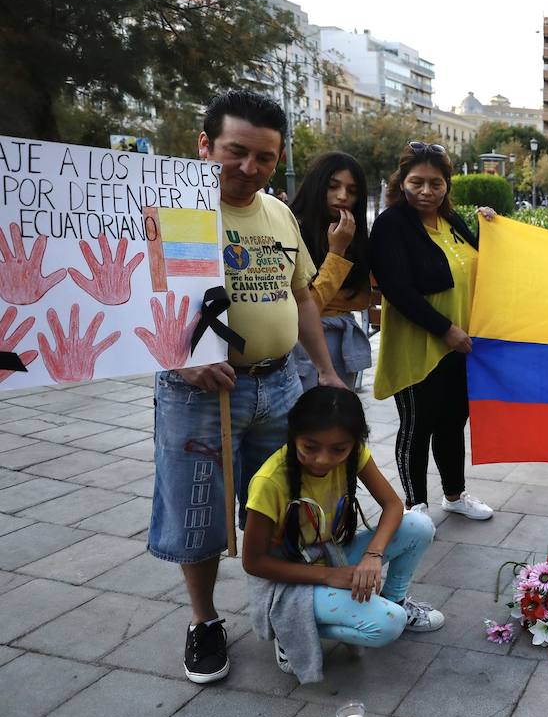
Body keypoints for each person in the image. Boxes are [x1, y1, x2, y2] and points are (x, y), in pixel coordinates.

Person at [150, 90, 345, 685]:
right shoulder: (170, 211)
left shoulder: (279, 214)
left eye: (264, 157)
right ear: (204, 144)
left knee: (283, 506)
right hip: (199, 394)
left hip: (280, 384)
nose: (249, 169)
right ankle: (205, 621)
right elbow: (134, 299)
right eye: (236, 152)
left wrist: (327, 371)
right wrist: (178, 361)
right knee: (200, 513)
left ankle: (282, 616)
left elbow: (303, 294)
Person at [243, 386, 444, 682]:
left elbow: (392, 505)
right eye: (310, 447)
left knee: (419, 525)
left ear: (354, 443)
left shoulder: (355, 455)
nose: (323, 459)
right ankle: (288, 630)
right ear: (293, 435)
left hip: (330, 556)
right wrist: (329, 577)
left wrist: (372, 556)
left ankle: (396, 599)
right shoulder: (269, 482)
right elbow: (254, 563)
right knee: (389, 625)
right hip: (286, 582)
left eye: (338, 449)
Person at [370, 142, 495, 518]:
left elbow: (479, 266)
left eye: (436, 184)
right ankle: (415, 506)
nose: (427, 191)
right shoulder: (392, 224)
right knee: (416, 425)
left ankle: (454, 496)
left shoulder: (452, 221)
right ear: (402, 182)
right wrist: (445, 329)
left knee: (453, 422)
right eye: (417, 182)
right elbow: (397, 289)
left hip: (460, 346)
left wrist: (491, 230)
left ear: (447, 186)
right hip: (418, 345)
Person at [289, 152, 373, 391]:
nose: (343, 196)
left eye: (352, 191)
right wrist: (337, 253)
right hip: (301, 350)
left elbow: (360, 298)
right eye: (333, 186)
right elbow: (308, 308)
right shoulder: (294, 228)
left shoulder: (351, 234)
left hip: (342, 348)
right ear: (317, 185)